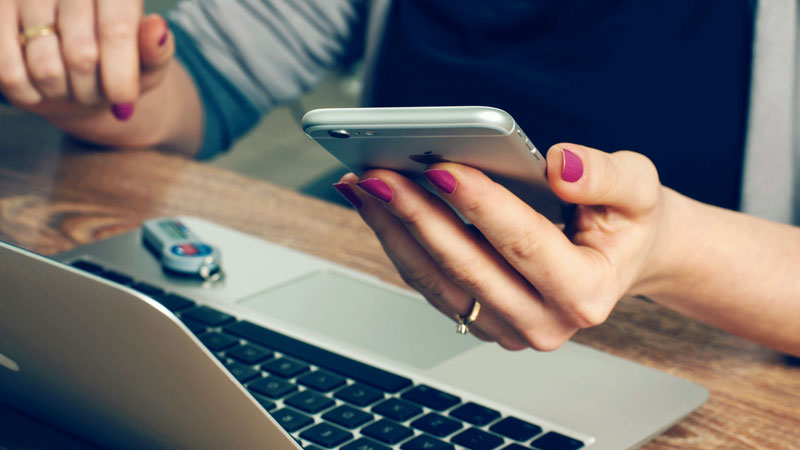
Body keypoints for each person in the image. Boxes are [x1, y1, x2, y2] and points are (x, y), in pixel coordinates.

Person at [0, 0, 798, 356]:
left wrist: (670, 248)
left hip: (716, 378)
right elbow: (202, 85)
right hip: (387, 319)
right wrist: (90, 70)